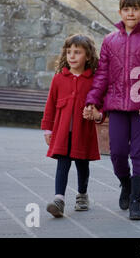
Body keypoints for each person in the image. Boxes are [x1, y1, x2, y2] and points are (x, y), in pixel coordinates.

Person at [84, 0, 140, 220]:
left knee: (139, 152)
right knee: (118, 153)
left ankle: (137, 201)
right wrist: (92, 101)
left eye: (136, 8)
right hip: (117, 106)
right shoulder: (110, 40)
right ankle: (125, 184)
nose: (131, 12)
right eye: (127, 8)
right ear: (120, 12)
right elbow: (101, 75)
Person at [41, 34, 103, 218]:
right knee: (63, 163)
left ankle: (82, 194)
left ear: (88, 56)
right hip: (62, 133)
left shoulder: (94, 81)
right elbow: (50, 105)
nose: (72, 56)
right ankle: (58, 199)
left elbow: (100, 104)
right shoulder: (59, 79)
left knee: (82, 164)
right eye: (69, 52)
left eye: (77, 52)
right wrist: (47, 128)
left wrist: (95, 112)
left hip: (83, 132)